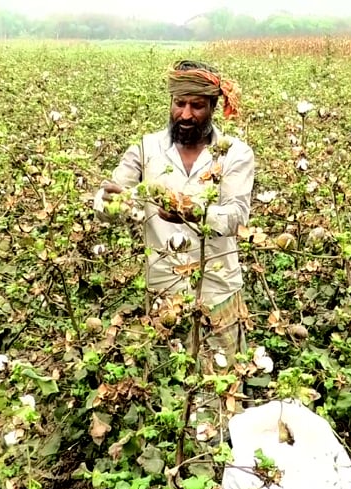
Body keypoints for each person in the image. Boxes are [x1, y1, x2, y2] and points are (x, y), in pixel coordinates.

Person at [93, 60, 255, 376]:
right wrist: (109, 202)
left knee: (220, 388)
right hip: (162, 291)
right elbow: (106, 203)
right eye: (179, 103)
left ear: (213, 105)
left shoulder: (235, 153)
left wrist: (193, 211)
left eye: (197, 106)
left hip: (216, 291)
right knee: (165, 387)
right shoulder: (145, 148)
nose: (185, 114)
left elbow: (236, 217)